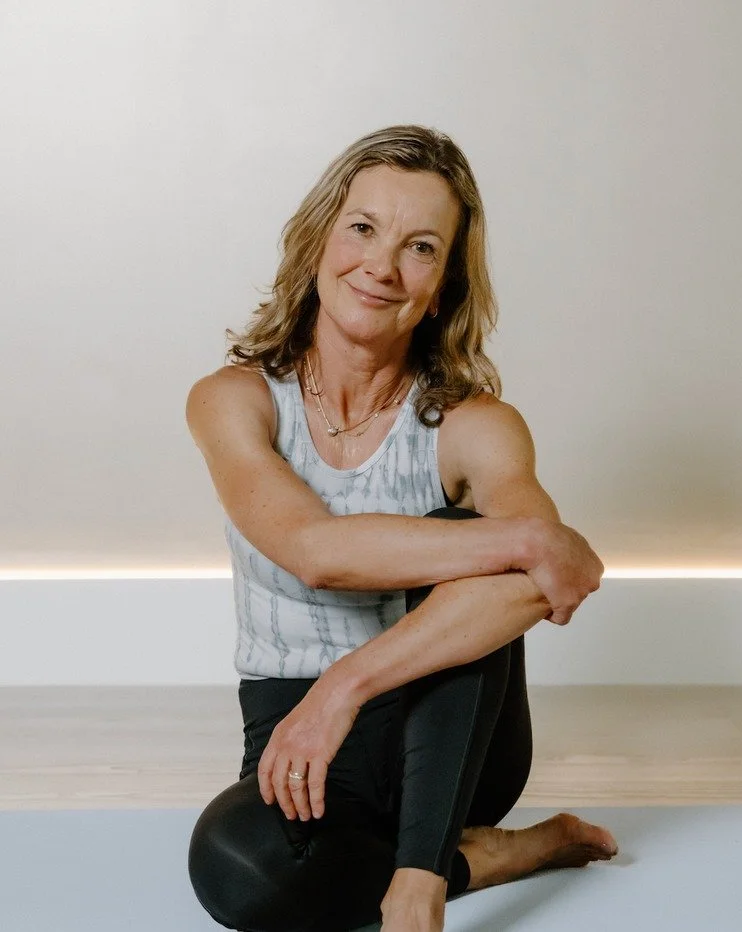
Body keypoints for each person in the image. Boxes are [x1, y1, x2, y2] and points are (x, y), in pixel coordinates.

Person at [186, 125, 617, 932]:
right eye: (362, 229)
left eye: (420, 247)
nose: (381, 267)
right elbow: (315, 553)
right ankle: (493, 856)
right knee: (234, 867)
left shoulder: (476, 424)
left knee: (471, 549)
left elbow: (537, 589)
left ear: (445, 281)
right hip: (295, 722)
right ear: (319, 239)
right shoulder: (235, 400)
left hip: (452, 734)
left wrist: (348, 684)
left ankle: (420, 883)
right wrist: (527, 539)